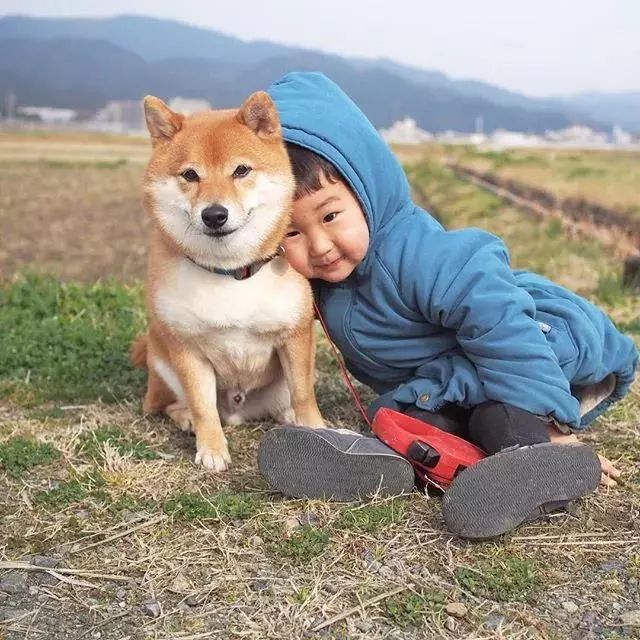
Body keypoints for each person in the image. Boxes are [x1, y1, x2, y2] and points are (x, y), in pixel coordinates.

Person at [257, 72, 638, 539]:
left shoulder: (416, 254)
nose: (318, 245)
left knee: (500, 416)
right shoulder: (320, 281)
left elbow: (500, 323)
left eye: (331, 216)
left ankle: (543, 460)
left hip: (535, 343)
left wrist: (550, 421)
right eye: (291, 232)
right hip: (447, 379)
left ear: (368, 190)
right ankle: (388, 466)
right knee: (411, 421)